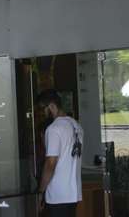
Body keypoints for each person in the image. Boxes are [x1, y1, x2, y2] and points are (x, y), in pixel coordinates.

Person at [37, 89, 83, 217]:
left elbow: (50, 163)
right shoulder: (76, 126)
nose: (42, 113)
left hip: (58, 195)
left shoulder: (54, 129)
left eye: (43, 109)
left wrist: (41, 191)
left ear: (51, 106)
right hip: (73, 193)